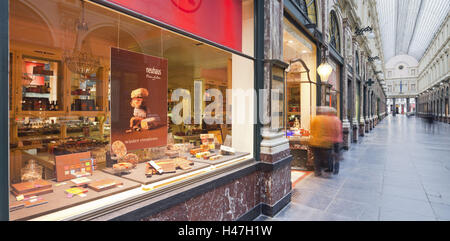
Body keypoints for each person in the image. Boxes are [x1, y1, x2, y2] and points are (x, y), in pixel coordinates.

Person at [309, 107, 336, 177]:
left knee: (317, 158)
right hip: (326, 142)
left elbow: (311, 130)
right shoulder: (328, 120)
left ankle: (317, 172)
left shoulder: (314, 119)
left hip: (316, 142)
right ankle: (328, 171)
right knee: (328, 157)